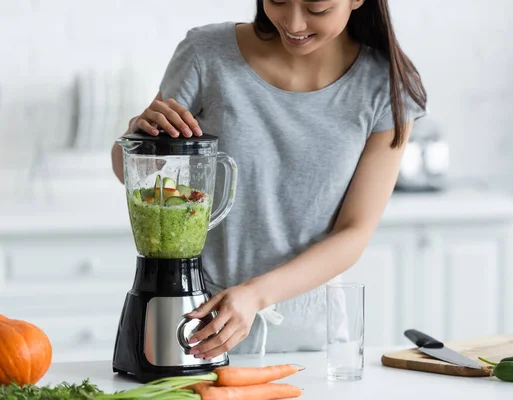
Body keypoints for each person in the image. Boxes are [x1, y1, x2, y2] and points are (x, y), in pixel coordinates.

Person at [111, 0, 427, 359]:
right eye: (277, 0)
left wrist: (254, 295)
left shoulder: (386, 86)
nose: (293, 23)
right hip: (198, 327)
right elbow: (129, 172)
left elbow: (353, 232)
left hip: (311, 341)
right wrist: (140, 140)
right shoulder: (206, 53)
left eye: (317, 9)